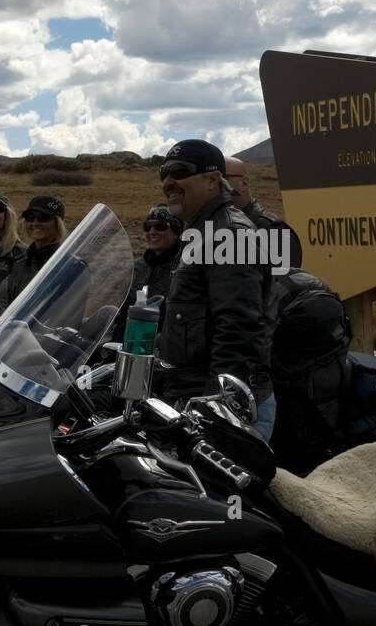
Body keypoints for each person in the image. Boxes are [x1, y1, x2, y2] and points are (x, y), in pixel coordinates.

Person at [155, 141, 275, 440]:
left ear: (212, 180)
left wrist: (213, 411)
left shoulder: (228, 234)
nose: (168, 182)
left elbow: (238, 330)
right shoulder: (201, 231)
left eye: (179, 172)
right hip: (192, 400)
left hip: (221, 411)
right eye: (163, 174)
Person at [112, 204, 183, 341]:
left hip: (163, 348)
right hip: (127, 344)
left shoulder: (184, 269)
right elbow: (123, 312)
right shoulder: (137, 267)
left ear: (176, 233)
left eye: (160, 227)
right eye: (147, 226)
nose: (152, 232)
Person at [224, 156, 303, 269]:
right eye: (210, 180)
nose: (213, 186)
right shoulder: (210, 229)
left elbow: (284, 284)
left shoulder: (273, 232)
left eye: (223, 178)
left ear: (244, 183)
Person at [0, 195, 68, 307]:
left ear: (57, 223)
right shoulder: (17, 265)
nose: (35, 223)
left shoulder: (68, 265)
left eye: (43, 218)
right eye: (30, 218)